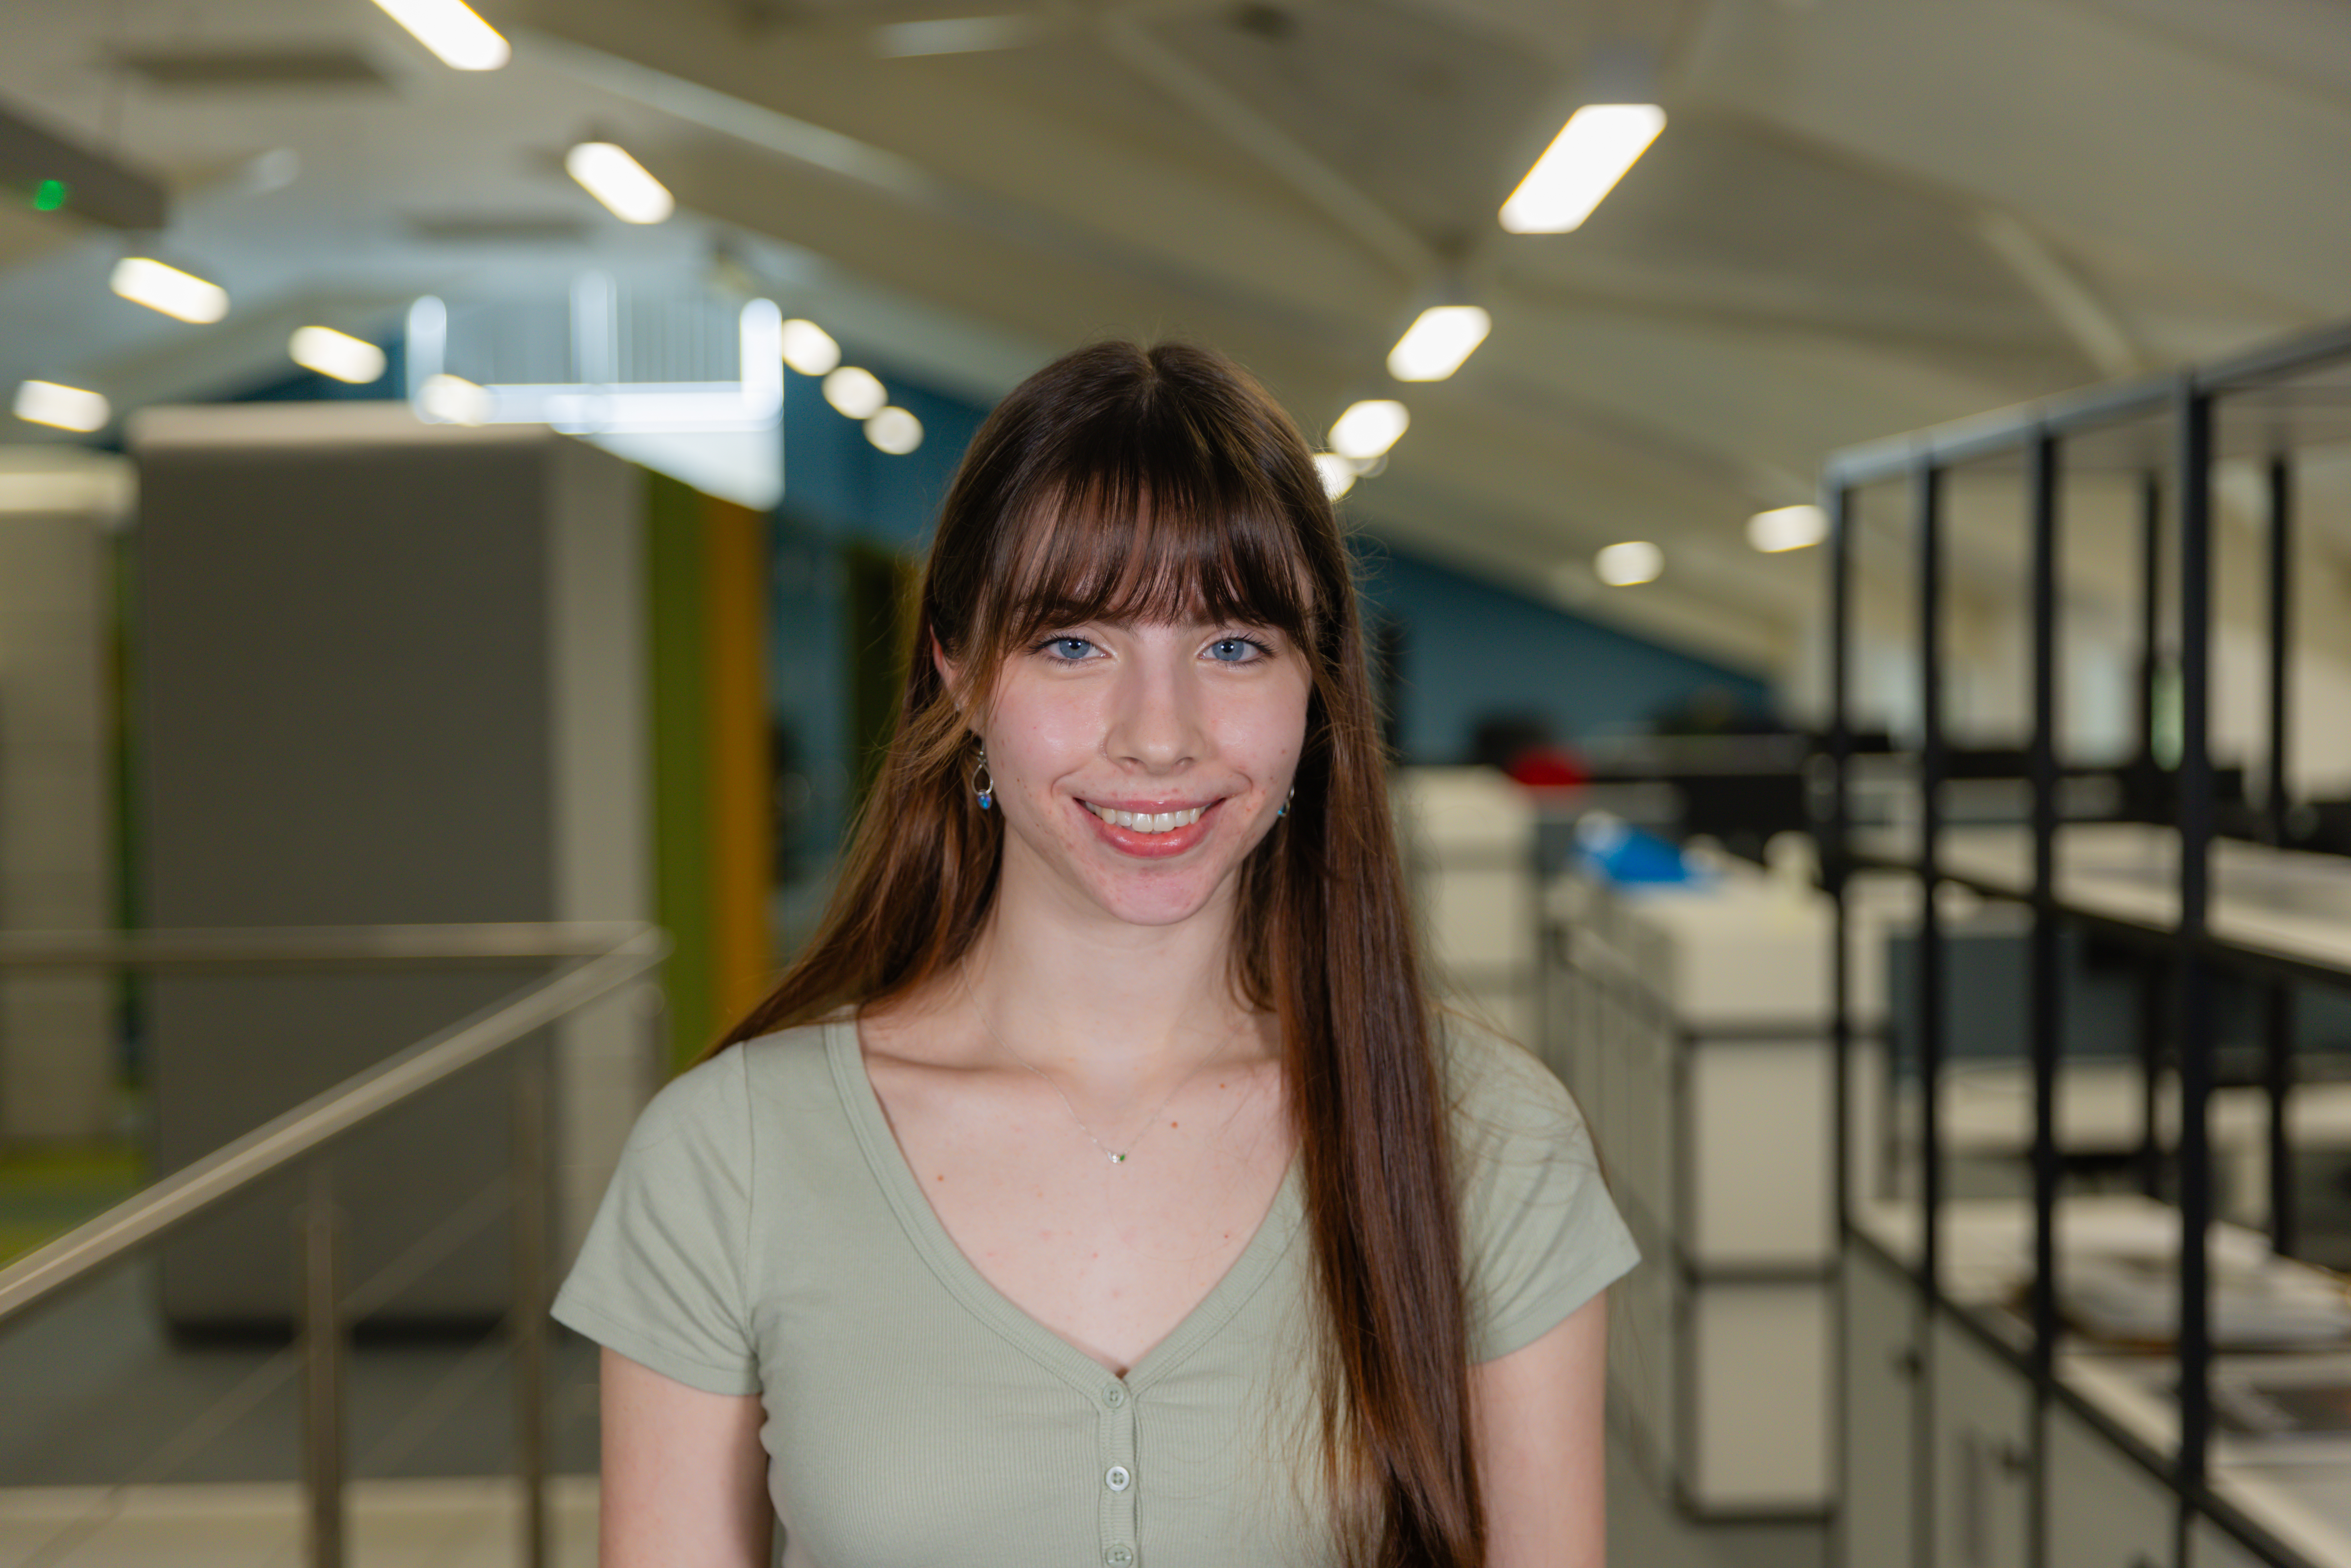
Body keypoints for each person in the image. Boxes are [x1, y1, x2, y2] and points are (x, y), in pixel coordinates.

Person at [552, 340, 1638, 1568]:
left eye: (1232, 645)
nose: (1158, 738)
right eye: (1073, 643)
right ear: (958, 675)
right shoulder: (729, 1156)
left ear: (1315, 690)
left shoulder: (1482, 1139)